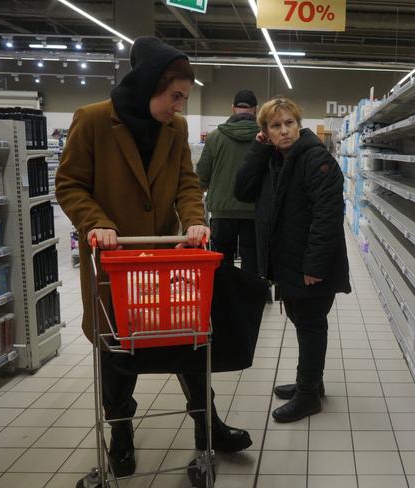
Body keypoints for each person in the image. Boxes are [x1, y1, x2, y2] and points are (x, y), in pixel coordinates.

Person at [55, 37, 251, 479]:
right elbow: (69, 184)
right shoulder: (91, 121)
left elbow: (186, 181)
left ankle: (208, 430)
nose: (180, 106)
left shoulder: (174, 130)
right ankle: (120, 436)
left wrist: (196, 219)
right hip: (114, 265)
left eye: (185, 97)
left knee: (189, 345)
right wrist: (95, 223)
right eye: (175, 96)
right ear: (148, 85)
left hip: (164, 264)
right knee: (118, 358)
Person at [234, 97, 351, 422]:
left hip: (310, 265)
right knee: (301, 321)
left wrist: (314, 267)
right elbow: (242, 190)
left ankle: (308, 395)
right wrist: (258, 150)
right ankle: (311, 382)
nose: (284, 131)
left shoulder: (317, 161)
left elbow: (327, 217)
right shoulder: (273, 158)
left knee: (311, 324)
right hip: (287, 259)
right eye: (275, 126)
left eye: (289, 123)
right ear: (265, 132)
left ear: (299, 125)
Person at [196, 89, 259, 274]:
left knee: (222, 261)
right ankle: (250, 299)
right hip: (254, 211)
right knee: (252, 260)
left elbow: (202, 175)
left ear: (232, 108)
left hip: (222, 212)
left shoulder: (215, 137)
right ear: (256, 109)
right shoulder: (265, 137)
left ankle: (226, 299)